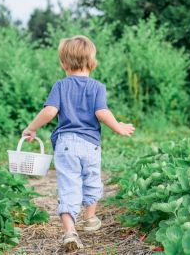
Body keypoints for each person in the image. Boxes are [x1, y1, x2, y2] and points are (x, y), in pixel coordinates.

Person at [21, 35, 135, 251]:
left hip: (66, 144)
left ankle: (70, 232)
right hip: (90, 144)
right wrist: (118, 126)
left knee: (68, 185)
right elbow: (102, 112)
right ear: (93, 62)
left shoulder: (61, 86)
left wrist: (32, 127)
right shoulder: (97, 87)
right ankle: (90, 218)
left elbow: (50, 111)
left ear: (64, 64)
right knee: (92, 179)